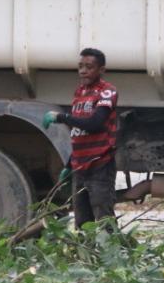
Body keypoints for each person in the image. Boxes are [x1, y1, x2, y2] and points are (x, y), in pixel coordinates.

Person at [42, 48, 119, 229]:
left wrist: (61, 117)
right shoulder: (80, 93)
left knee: (103, 219)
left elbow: (95, 124)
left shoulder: (107, 92)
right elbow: (78, 134)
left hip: (100, 165)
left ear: (101, 70)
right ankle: (85, 256)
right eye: (80, 66)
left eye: (89, 67)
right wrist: (69, 166)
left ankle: (113, 255)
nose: (83, 71)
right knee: (82, 222)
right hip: (79, 167)